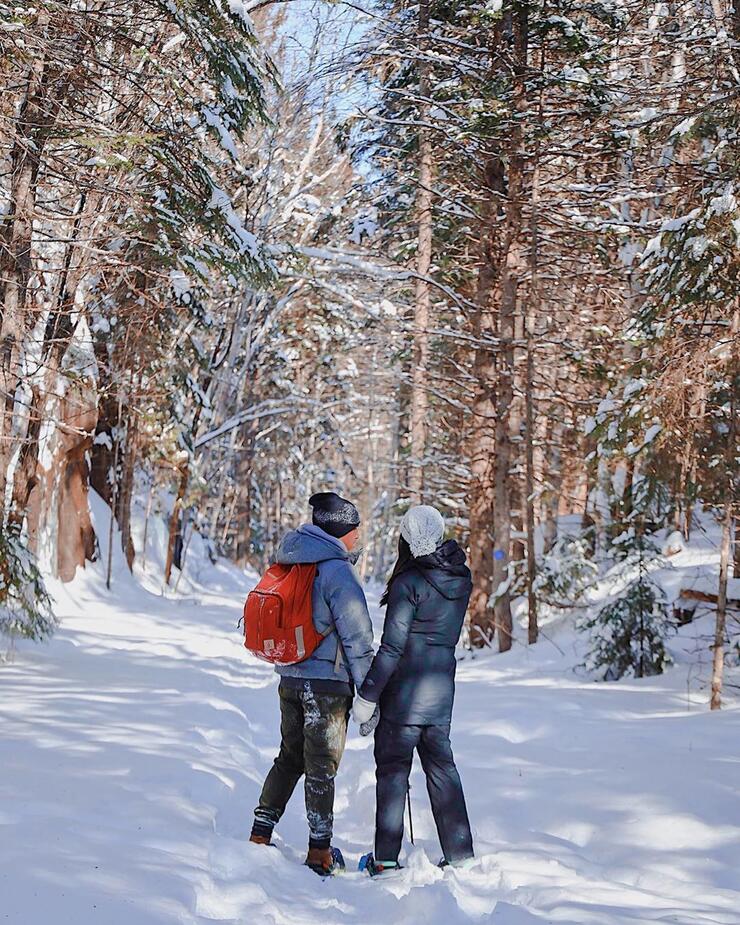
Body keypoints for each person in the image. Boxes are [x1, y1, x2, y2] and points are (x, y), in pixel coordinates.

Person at [249, 491, 375, 876]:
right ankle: (319, 852)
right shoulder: (337, 570)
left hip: (289, 678)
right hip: (327, 686)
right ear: (341, 531)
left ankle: (260, 831)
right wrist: (369, 693)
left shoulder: (293, 558)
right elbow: (358, 637)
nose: (358, 537)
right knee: (321, 766)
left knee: (289, 757)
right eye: (354, 530)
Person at [353, 505, 474, 876]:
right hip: (440, 695)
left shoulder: (409, 583)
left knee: (392, 773)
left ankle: (386, 860)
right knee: (443, 771)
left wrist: (367, 696)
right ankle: (460, 855)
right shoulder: (460, 579)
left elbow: (392, 648)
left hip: (403, 699)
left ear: (406, 538)